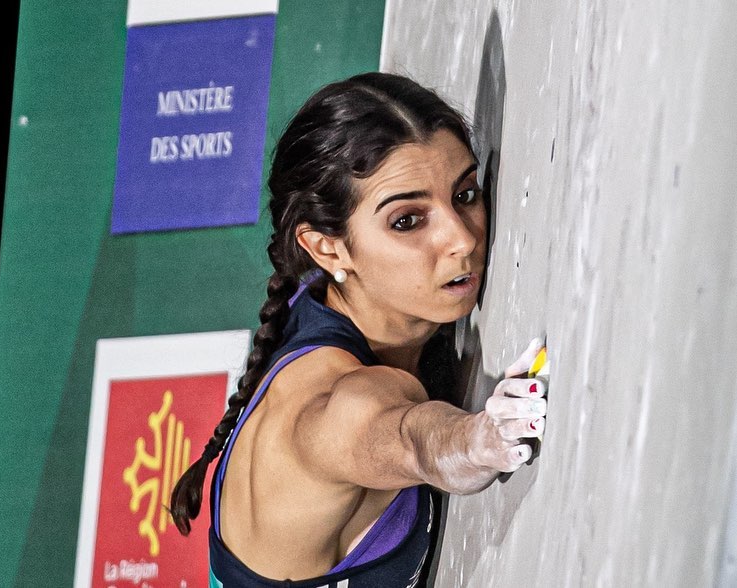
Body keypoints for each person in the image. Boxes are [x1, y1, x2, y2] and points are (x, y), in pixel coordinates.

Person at [168, 72, 547, 587]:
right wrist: (480, 439)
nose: (461, 239)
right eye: (407, 221)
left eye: (464, 194)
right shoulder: (330, 410)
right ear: (328, 249)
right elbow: (413, 439)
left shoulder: (328, 298)